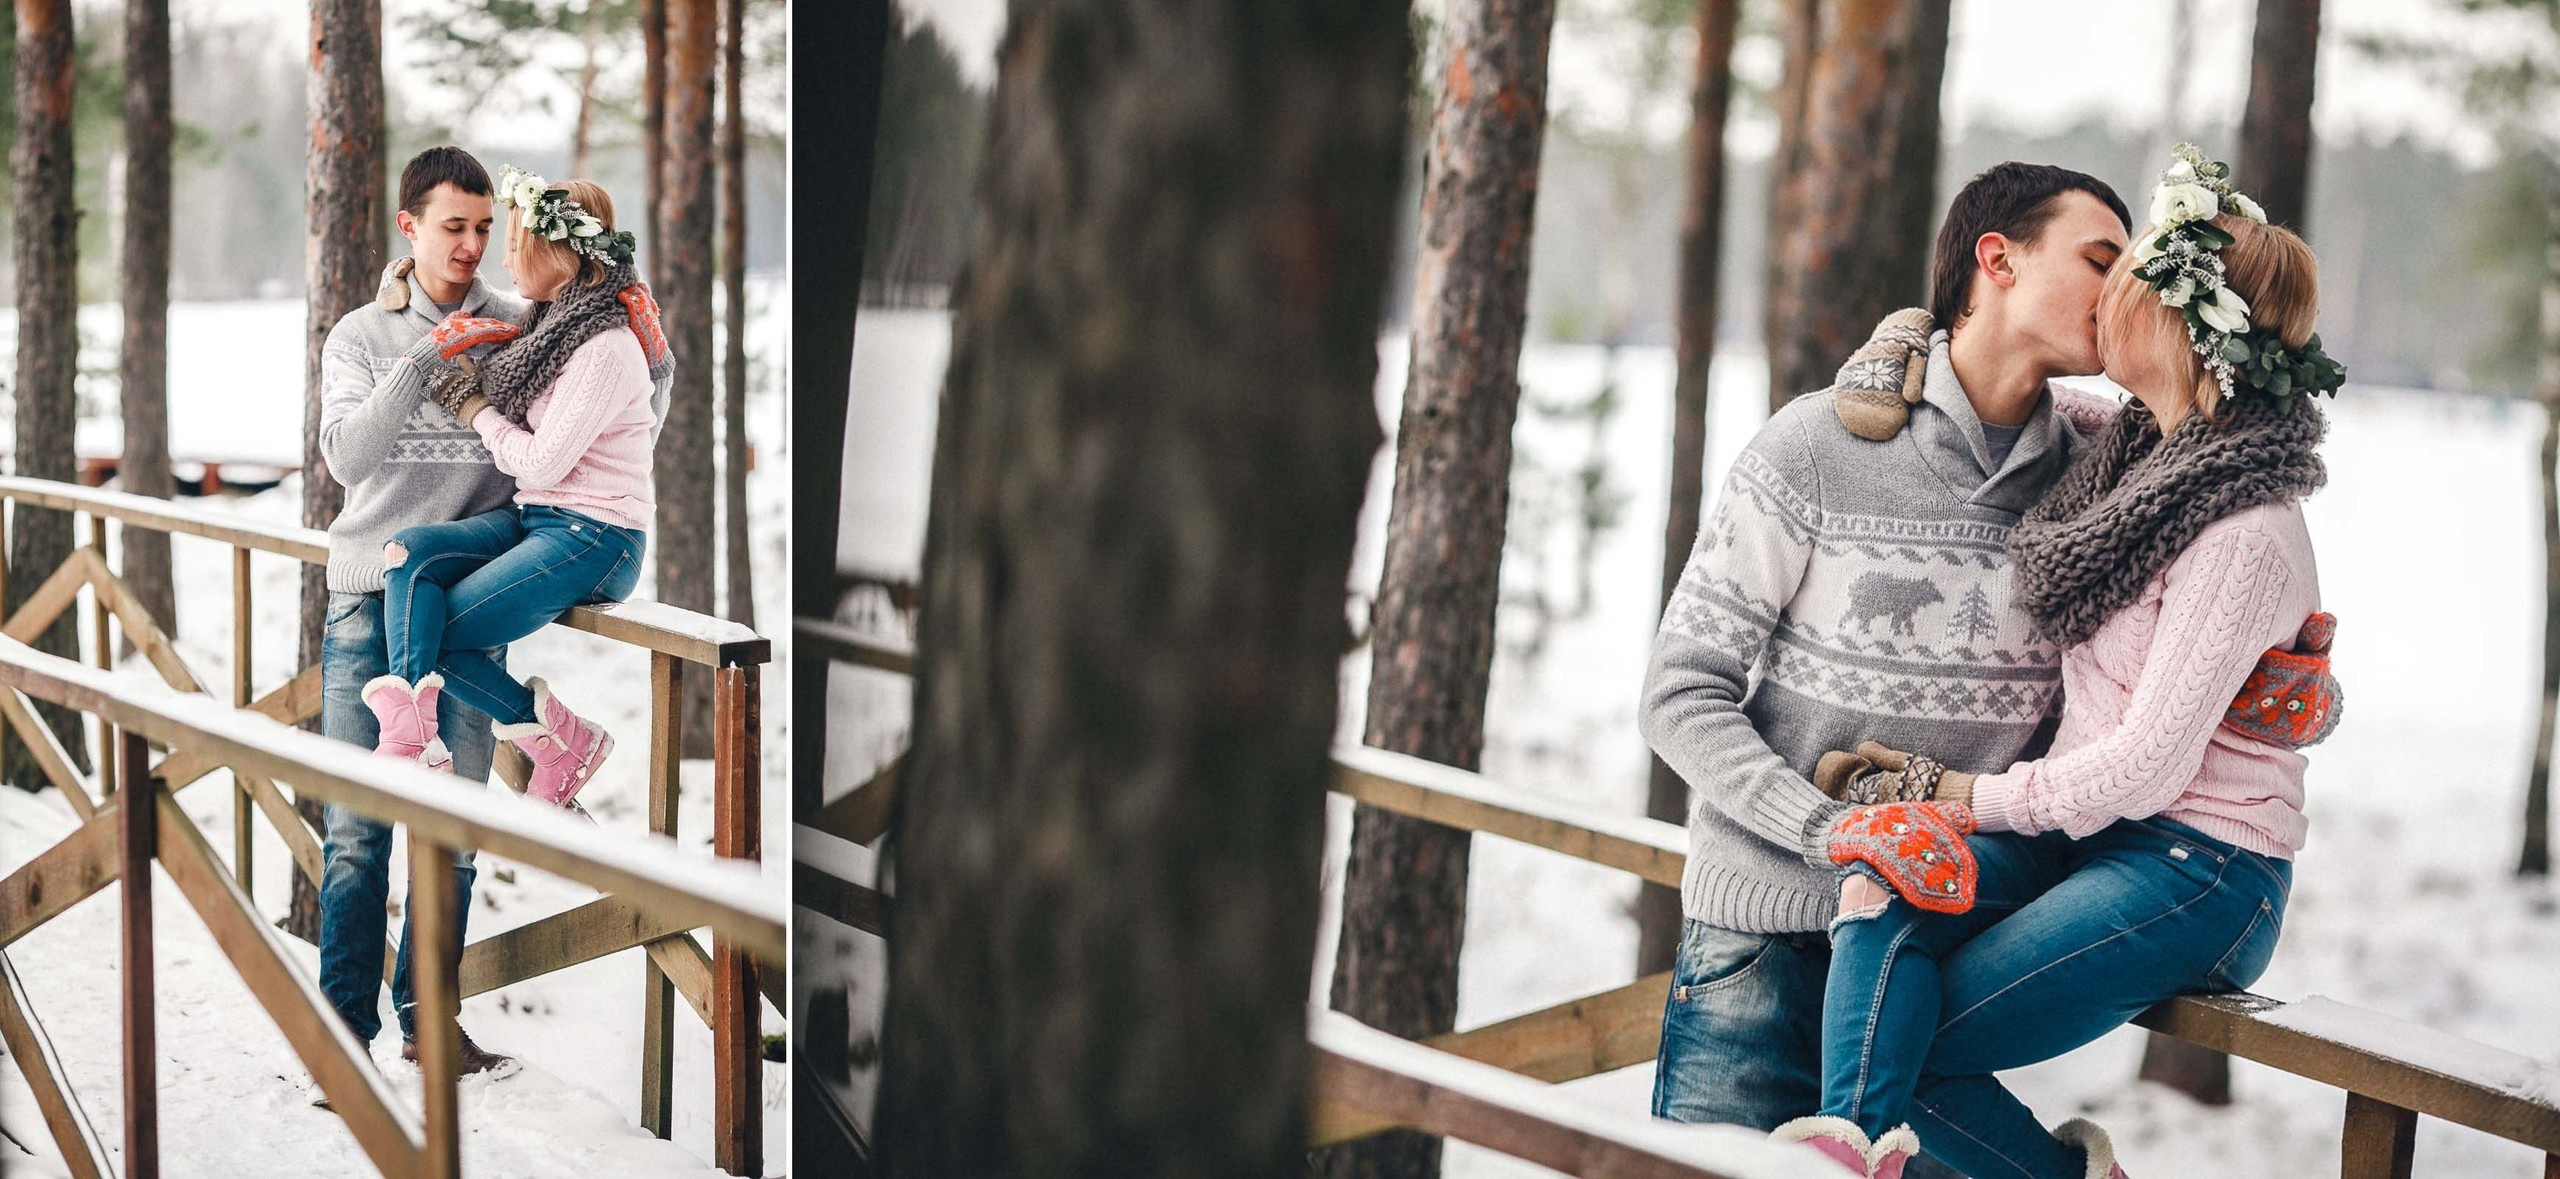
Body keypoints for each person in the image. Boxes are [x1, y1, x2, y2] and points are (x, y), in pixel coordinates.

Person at [1639, 159, 2331, 1179]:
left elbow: (2213, 573)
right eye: (2101, 259)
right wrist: (1830, 828)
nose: (2122, 290)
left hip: (1936, 929)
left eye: (2136, 269)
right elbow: (1678, 693)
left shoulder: (2101, 476)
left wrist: (2280, 698)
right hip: (1765, 938)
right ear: (1996, 260)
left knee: (1892, 1118)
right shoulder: (1816, 446)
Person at [313, 145, 527, 1083]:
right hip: (367, 602)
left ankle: (429, 1026)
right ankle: (341, 1043)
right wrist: (425, 358)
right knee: (357, 836)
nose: (471, 246)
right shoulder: (360, 334)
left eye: (483, 228)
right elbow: (346, 459)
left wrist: (655, 353)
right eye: (453, 227)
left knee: (455, 834)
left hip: (471, 613)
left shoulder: (516, 326)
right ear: (410, 227)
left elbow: (621, 405)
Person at [368, 166, 670, 808]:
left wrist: (474, 408)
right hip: (542, 521)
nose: (501, 258)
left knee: (436, 632)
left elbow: (539, 463)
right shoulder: (548, 329)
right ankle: (415, 736)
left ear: (556, 252)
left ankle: (559, 742)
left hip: (597, 537)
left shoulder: (603, 348)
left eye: (513, 243)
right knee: (408, 553)